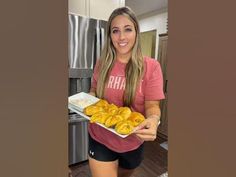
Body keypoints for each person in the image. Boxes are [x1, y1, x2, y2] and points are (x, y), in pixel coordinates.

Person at [88, 6, 165, 177]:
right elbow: (93, 90)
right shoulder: (102, 64)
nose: (121, 37)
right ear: (110, 36)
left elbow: (152, 106)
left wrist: (153, 119)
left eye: (128, 29)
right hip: (100, 138)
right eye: (115, 31)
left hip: (132, 142)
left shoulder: (151, 67)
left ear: (136, 32)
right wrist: (88, 101)